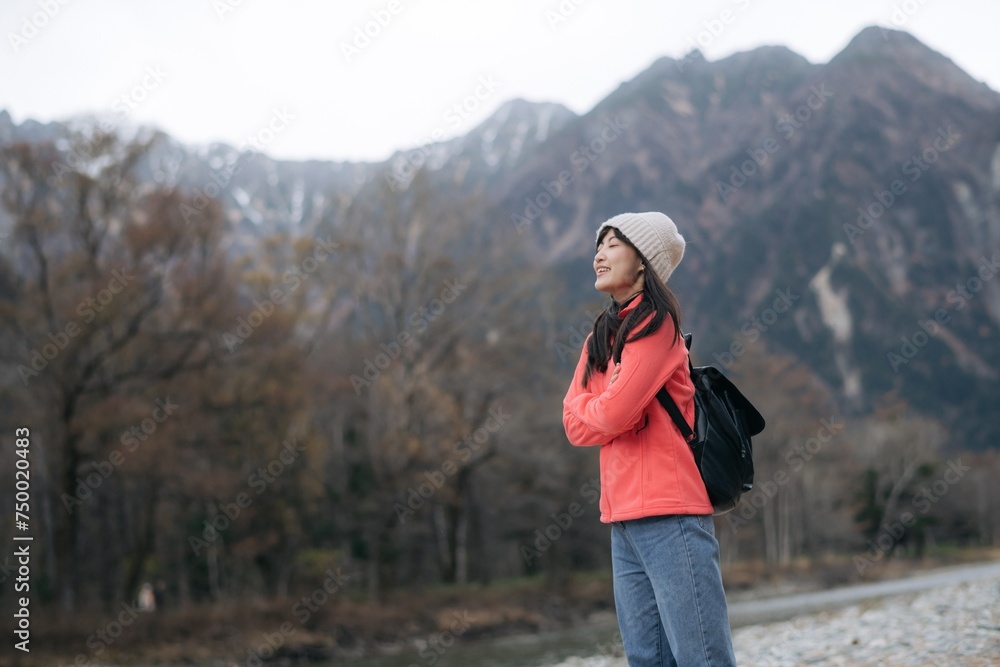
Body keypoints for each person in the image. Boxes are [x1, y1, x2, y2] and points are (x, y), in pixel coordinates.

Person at [562, 212, 737, 666]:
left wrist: (606, 407)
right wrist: (608, 406)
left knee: (701, 655)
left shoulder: (656, 325)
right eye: (598, 245)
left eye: (613, 244)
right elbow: (575, 425)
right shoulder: (599, 338)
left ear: (643, 260)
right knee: (648, 659)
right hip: (621, 517)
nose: (599, 254)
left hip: (670, 513)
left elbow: (612, 412)